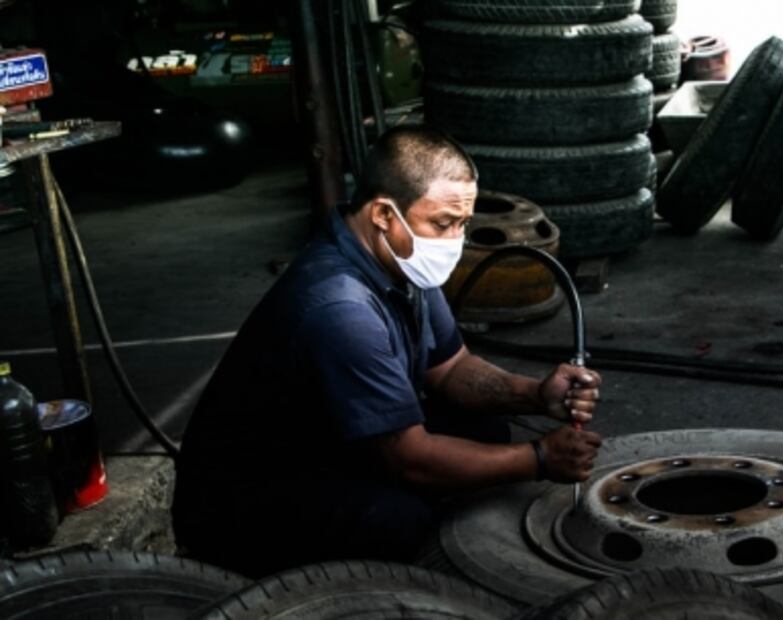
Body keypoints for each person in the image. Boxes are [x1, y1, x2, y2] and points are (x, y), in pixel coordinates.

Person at [172, 126, 603, 576]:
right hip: (244, 503)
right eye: (442, 223)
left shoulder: (400, 261)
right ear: (383, 213)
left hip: (324, 444)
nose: (455, 239)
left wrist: (537, 394)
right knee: (400, 522)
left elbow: (452, 368)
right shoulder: (340, 308)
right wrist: (539, 459)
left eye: (462, 223)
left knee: (486, 426)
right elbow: (411, 460)